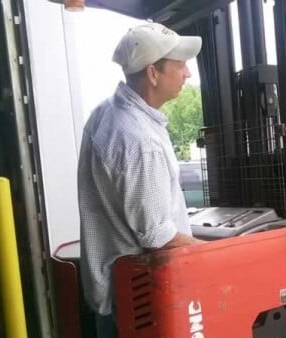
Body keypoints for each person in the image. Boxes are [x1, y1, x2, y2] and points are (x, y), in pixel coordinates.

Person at [76, 22, 205, 338]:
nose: (187, 74)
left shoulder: (106, 113)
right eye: (180, 65)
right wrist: (219, 255)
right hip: (139, 300)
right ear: (153, 73)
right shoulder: (138, 140)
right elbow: (158, 236)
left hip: (116, 294)